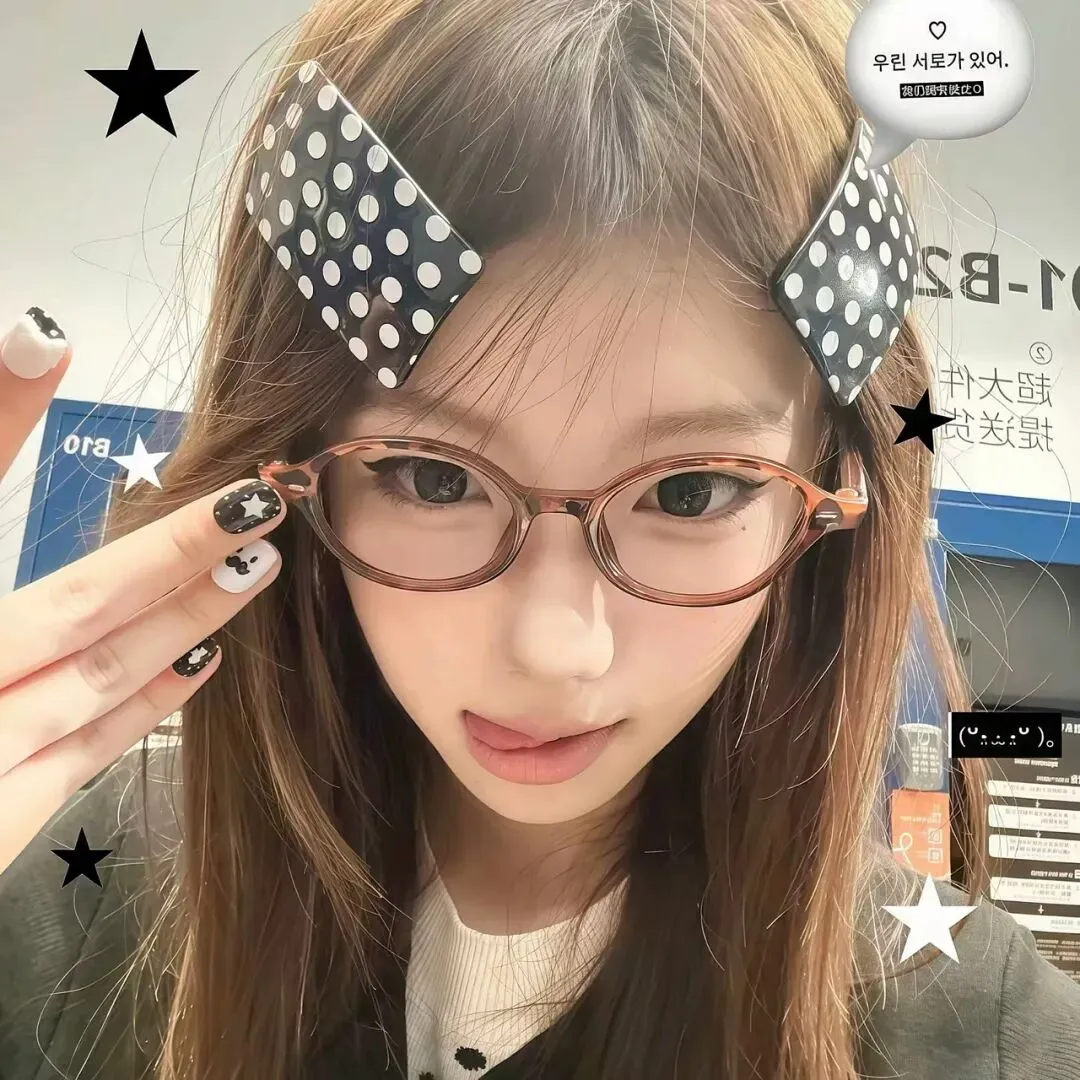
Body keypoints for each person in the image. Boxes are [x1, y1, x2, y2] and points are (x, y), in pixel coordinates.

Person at [1, 0, 1078, 1078]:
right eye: (433, 478)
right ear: (289, 469)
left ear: (830, 496)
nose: (555, 648)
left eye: (693, 492)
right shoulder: (76, 891)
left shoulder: (968, 1025)